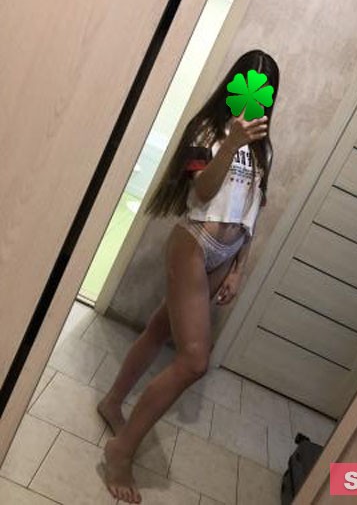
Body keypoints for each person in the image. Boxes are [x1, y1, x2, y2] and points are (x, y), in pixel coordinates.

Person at [97, 49, 280, 503]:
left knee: (160, 329)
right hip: (194, 244)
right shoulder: (207, 131)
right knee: (194, 362)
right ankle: (121, 449)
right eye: (249, 85)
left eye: (265, 91)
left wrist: (239, 267)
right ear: (234, 83)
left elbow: (253, 210)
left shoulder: (264, 148)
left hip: (227, 253)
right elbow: (201, 191)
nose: (256, 98)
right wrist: (231, 143)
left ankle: (112, 402)